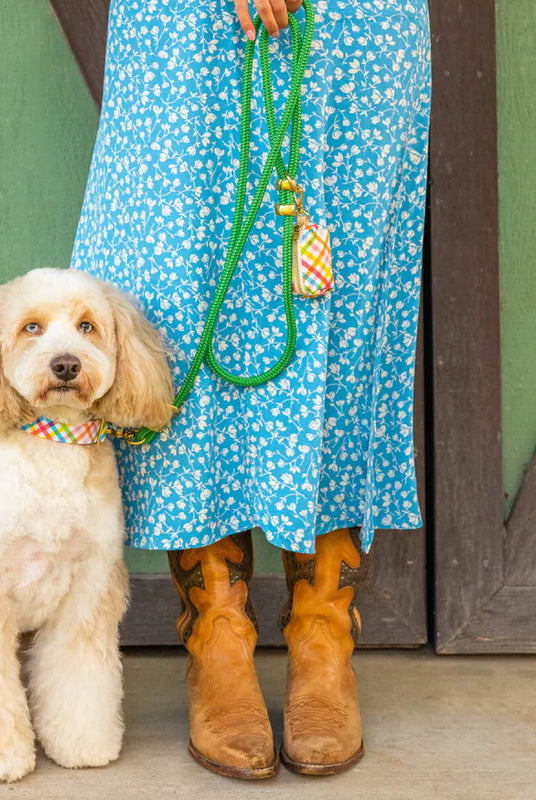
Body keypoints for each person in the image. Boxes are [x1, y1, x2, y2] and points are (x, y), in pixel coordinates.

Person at [71, 0, 431, 779]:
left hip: (354, 24)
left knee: (342, 291)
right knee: (183, 283)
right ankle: (218, 638)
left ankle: (322, 636)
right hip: (191, 24)